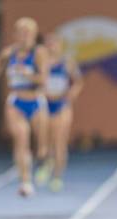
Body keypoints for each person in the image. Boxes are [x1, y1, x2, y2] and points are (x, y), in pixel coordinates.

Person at [0, 17, 49, 197]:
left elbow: (43, 80)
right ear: (15, 35)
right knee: (21, 139)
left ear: (34, 35)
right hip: (16, 101)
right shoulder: (8, 53)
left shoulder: (39, 53)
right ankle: (25, 182)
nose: (24, 36)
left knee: (41, 147)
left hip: (36, 100)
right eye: (21, 32)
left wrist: (28, 74)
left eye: (28, 33)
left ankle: (42, 159)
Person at [35, 32, 84, 192]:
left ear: (59, 45)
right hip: (44, 103)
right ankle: (45, 164)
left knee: (59, 142)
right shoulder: (41, 64)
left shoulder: (67, 63)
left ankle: (57, 177)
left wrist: (72, 94)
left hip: (61, 104)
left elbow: (78, 82)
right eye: (48, 44)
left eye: (54, 43)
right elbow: (35, 82)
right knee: (45, 141)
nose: (51, 46)